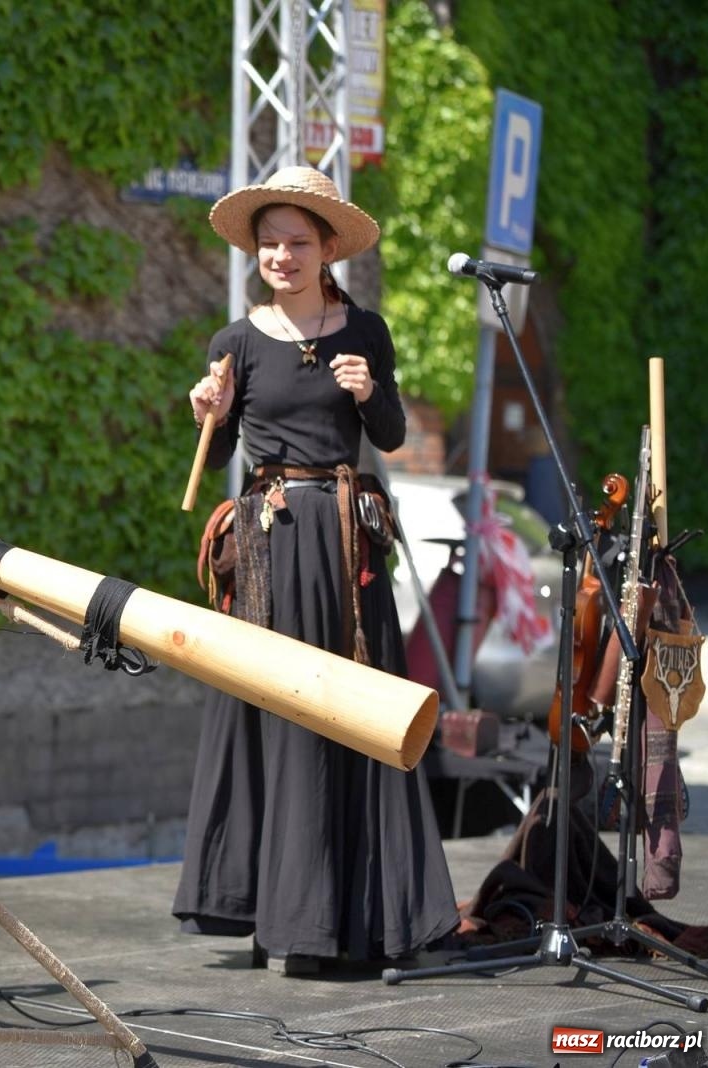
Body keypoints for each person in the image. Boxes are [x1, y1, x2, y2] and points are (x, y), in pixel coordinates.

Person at [171, 167, 459, 970]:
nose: (283, 256)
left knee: (352, 714)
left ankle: (359, 919)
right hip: (269, 548)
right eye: (270, 244)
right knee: (278, 715)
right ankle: (284, 917)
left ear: (328, 248)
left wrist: (369, 393)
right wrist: (209, 416)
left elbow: (391, 437)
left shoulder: (365, 330)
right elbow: (219, 457)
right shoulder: (233, 342)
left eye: (298, 242)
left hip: (343, 551)